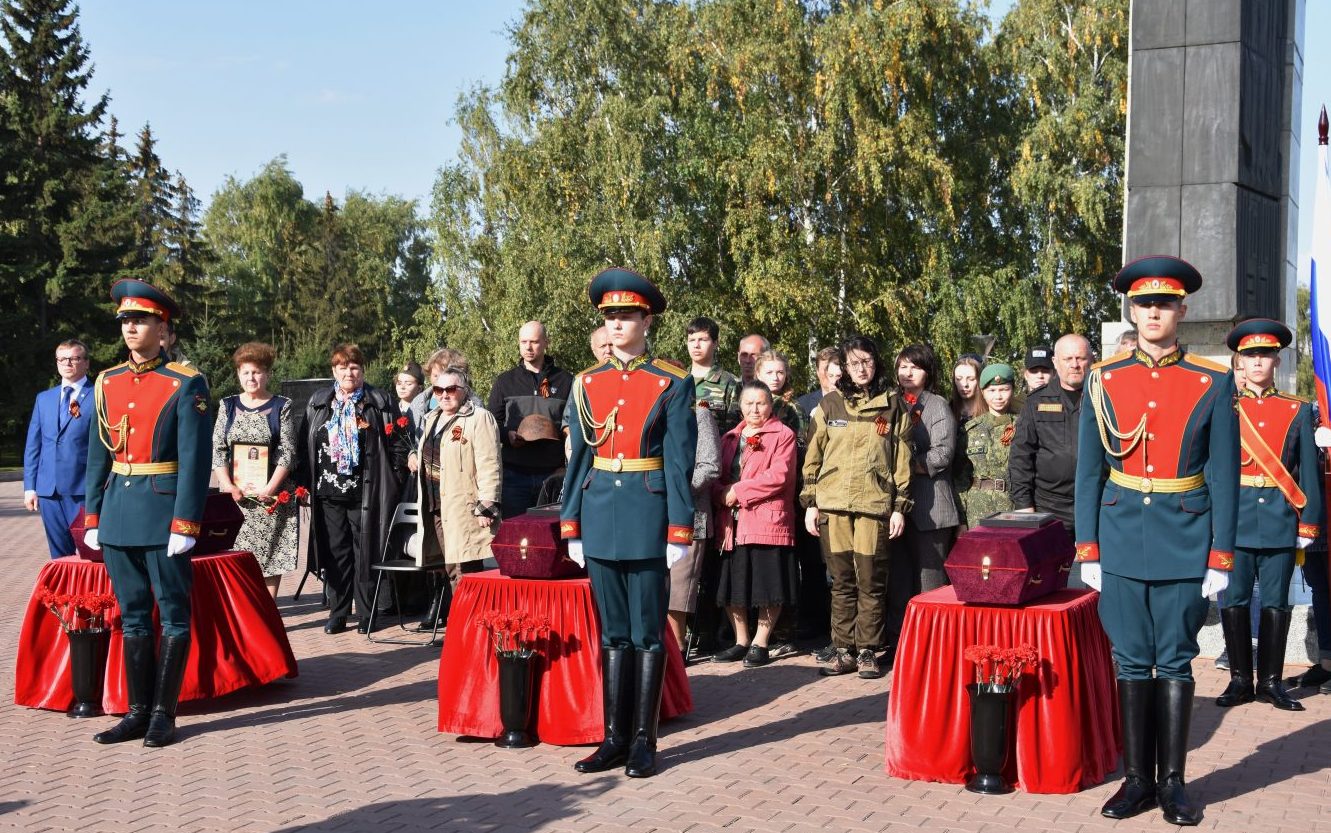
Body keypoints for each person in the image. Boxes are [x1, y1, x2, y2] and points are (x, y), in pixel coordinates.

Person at [1075, 255, 1238, 825]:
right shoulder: (1103, 380)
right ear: (1131, 309)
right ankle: (1136, 779)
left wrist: (1222, 555)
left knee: (1174, 659)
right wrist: (1088, 547)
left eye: (1164, 303)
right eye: (1144, 303)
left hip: (1184, 538)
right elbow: (1090, 472)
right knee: (1129, 658)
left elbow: (1223, 475)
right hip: (1120, 538)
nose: (1153, 312)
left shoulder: (1214, 383)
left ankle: (1173, 782)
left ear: (1181, 311)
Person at [562, 267, 696, 779]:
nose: (617, 325)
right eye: (610, 316)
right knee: (613, 634)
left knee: (647, 634)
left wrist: (678, 529)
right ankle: (614, 738)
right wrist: (571, 522)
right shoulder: (586, 383)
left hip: (647, 513)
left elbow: (681, 461)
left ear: (647, 320)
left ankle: (645, 741)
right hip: (599, 515)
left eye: (627, 316)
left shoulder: (671, 381)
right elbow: (578, 461)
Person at [83, 278, 211, 748]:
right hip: (118, 512)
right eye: (126, 321)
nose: (131, 328)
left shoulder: (185, 383)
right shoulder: (107, 381)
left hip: (162, 514)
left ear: (164, 328)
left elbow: (196, 460)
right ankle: (137, 712)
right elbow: (99, 455)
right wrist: (93, 515)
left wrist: (186, 521)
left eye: (141, 320)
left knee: (174, 616)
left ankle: (164, 714)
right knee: (133, 616)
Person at [1214, 319, 1321, 712]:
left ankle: (1271, 682)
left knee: (1277, 603)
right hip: (1236, 523)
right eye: (1250, 355)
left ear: (1277, 359)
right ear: (1239, 361)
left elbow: (1307, 472)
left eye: (1265, 354)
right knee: (1234, 601)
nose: (1257, 362)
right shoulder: (1226, 408)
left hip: (1279, 521)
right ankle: (1241, 679)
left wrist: (1309, 522)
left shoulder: (1295, 410)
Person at [801, 335, 912, 679]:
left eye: (867, 361)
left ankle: (867, 650)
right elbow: (813, 457)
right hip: (832, 505)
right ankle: (843, 650)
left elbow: (902, 459)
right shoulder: (829, 405)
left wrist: (899, 506)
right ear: (844, 367)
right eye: (854, 363)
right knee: (841, 580)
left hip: (874, 505)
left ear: (876, 363)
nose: (861, 369)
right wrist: (810, 503)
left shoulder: (893, 404)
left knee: (871, 581)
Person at [303, 343, 410, 635]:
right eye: (342, 367)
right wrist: (303, 485)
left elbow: (400, 444)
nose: (348, 372)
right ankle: (337, 613)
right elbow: (305, 444)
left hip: (367, 491)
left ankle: (367, 613)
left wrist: (395, 479)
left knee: (365, 553)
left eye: (354, 367)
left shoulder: (379, 401)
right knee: (336, 553)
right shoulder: (318, 401)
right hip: (328, 492)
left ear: (362, 370)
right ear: (333, 371)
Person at [711, 382, 799, 668]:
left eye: (761, 403)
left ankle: (761, 641)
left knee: (767, 584)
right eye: (748, 403)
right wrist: (720, 492)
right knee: (733, 584)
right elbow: (716, 475)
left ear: (771, 405)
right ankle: (741, 640)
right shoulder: (729, 438)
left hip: (766, 519)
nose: (754, 409)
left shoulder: (783, 435)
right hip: (731, 523)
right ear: (740, 405)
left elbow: (780, 476)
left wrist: (739, 491)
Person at [211, 342, 299, 599]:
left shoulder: (282, 405)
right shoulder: (227, 406)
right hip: (235, 498)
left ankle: (268, 612)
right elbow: (218, 449)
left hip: (270, 498)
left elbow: (288, 451)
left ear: (268, 374)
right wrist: (227, 486)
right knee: (235, 557)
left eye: (257, 372)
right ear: (238, 374)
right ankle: (242, 614)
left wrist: (270, 488)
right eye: (246, 372)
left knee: (270, 558)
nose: (251, 378)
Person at [888, 343, 960, 655]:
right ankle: (899, 645)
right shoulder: (890, 403)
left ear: (927, 372)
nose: (906, 372)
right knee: (898, 581)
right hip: (894, 508)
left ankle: (934, 649)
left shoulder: (937, 405)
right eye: (902, 366)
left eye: (914, 367)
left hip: (931, 508)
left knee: (930, 583)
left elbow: (942, 454)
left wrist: (902, 467)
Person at [408, 366, 501, 599]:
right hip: (437, 507)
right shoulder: (432, 419)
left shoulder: (479, 418)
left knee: (467, 571)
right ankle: (460, 627)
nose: (444, 394)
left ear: (464, 390)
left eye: (450, 389)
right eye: (438, 389)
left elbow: (490, 463)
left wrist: (486, 504)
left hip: (465, 509)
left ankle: (471, 629)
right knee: (450, 570)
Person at [1007, 333, 1092, 537]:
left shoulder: (1105, 397)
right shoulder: (1036, 402)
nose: (1074, 365)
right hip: (1049, 508)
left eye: (1080, 358)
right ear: (1055, 362)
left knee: (1092, 569)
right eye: (1067, 359)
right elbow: (1020, 457)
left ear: (1091, 359)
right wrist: (1023, 506)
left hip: (1095, 506)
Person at [488, 321, 574, 518]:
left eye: (534, 341)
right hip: (514, 475)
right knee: (516, 534)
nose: (528, 347)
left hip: (553, 474)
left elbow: (571, 424)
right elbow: (492, 423)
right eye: (523, 341)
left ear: (546, 342)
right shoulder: (505, 381)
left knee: (551, 537)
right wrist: (506, 435)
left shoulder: (566, 381)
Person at [23, 339, 94, 558]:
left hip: (83, 490)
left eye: (74, 358)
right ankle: (65, 593)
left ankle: (92, 594)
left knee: (91, 553)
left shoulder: (100, 395)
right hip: (48, 492)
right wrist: (30, 487)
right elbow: (34, 446)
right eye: (62, 359)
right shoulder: (44, 399)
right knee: (59, 556)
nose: (67, 364)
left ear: (86, 363)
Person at [666, 399, 720, 660]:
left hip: (691, 512)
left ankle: (677, 645)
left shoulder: (700, 416)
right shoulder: (653, 416)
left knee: (680, 583)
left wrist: (677, 492)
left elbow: (710, 467)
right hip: (654, 513)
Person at [955, 364, 1017, 527]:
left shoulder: (1023, 426)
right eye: (992, 390)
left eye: (1004, 389)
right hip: (977, 508)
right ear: (982, 392)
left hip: (1013, 506)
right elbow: (960, 477)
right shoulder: (970, 430)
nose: (998, 396)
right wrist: (961, 520)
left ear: (1013, 390)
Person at [687, 316, 741, 434]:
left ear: (715, 343)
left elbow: (734, 434)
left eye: (703, 340)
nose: (696, 345)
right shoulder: (678, 379)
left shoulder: (729, 383)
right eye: (691, 340)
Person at [755, 350, 809, 445]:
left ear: (786, 375)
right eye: (769, 372)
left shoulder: (793, 407)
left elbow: (800, 445)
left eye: (780, 372)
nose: (775, 378)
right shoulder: (749, 400)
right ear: (758, 374)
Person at [797, 346, 841, 416]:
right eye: (826, 369)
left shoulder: (856, 401)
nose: (830, 372)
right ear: (817, 372)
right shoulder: (802, 404)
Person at [949, 354, 984, 424]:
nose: (965, 384)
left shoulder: (992, 410)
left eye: (971, 379)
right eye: (959, 379)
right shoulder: (947, 410)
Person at [394, 361, 425, 437]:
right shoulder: (391, 409)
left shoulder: (426, 412)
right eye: (399, 383)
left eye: (408, 384)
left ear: (419, 388)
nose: (402, 387)